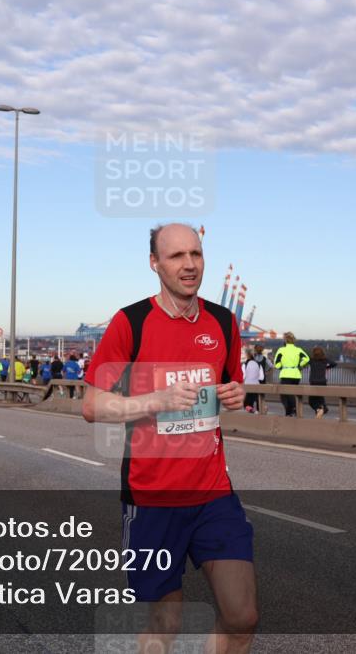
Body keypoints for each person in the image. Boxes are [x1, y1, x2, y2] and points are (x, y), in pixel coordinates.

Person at [82, 223, 256, 653]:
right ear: (154, 263)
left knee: (242, 616)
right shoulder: (131, 322)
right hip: (152, 498)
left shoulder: (223, 322)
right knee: (164, 623)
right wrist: (154, 400)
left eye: (195, 254)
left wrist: (237, 393)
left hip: (213, 492)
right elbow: (92, 405)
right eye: (177, 256)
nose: (189, 264)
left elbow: (229, 384)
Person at [273, 331, 309, 416]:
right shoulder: (298, 350)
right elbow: (306, 359)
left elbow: (276, 363)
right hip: (296, 374)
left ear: (285, 340)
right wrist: (300, 365)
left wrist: (281, 367)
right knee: (291, 393)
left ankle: (293, 409)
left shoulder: (281, 350)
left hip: (285, 374)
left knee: (284, 395)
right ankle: (289, 412)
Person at [307, 346, 335, 418]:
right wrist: (327, 367)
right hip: (322, 382)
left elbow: (304, 362)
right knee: (320, 399)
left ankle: (319, 409)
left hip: (313, 382)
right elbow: (334, 363)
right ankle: (322, 410)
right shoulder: (325, 360)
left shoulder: (311, 360)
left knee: (311, 401)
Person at [242, 345, 266, 413]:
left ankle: (252, 411)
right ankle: (259, 410)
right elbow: (262, 377)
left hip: (248, 386)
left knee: (246, 404)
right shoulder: (259, 364)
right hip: (256, 385)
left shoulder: (245, 364)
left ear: (247, 355)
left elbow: (243, 376)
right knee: (256, 400)